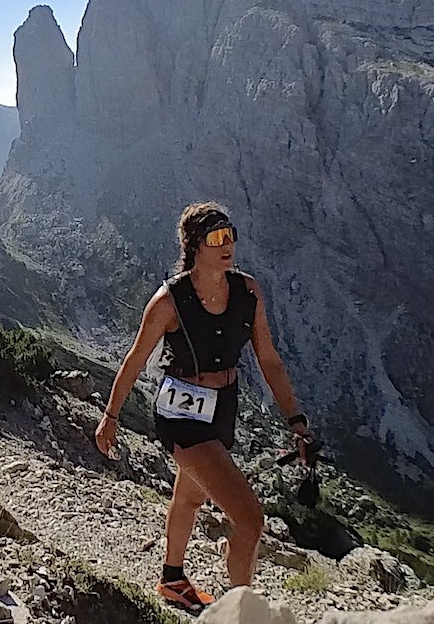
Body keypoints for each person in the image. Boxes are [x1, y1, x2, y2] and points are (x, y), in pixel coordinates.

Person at [94, 202, 314, 612]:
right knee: (250, 519)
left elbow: (268, 359)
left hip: (222, 407)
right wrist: (110, 416)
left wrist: (295, 420)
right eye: (216, 238)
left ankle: (172, 578)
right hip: (181, 415)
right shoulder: (169, 301)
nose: (227, 244)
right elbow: (135, 358)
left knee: (191, 497)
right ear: (194, 245)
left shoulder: (247, 291)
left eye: (230, 235)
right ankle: (238, 613)